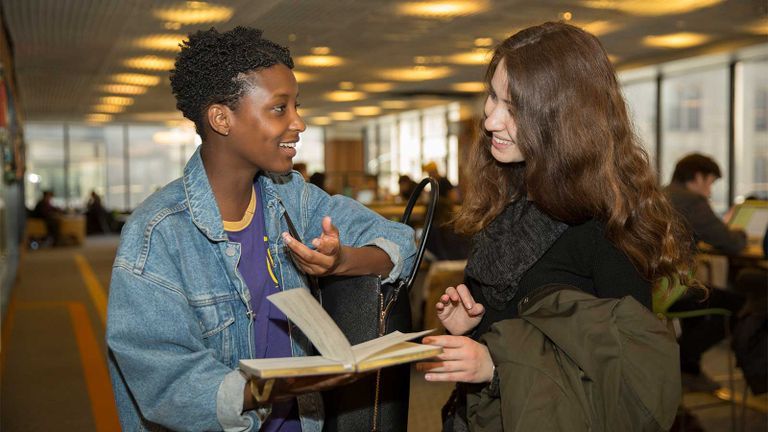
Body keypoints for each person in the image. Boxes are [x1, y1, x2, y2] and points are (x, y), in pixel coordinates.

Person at [106, 27, 416, 431]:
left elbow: (400, 241)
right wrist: (277, 386)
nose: (299, 122)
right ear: (221, 118)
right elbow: (167, 387)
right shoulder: (157, 235)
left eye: (296, 106)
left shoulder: (291, 197)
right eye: (279, 109)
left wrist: (341, 261)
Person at [417, 22, 694, 430]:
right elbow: (518, 330)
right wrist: (473, 327)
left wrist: (497, 369)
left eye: (513, 107)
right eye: (493, 97)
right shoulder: (510, 201)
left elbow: (631, 389)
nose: (491, 120)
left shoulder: (606, 228)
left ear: (562, 118)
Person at [664, 153, 747, 392]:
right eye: (710, 183)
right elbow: (730, 242)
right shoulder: (691, 201)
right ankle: (678, 363)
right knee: (742, 305)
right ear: (698, 177)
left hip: (653, 286)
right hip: (672, 290)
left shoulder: (660, 194)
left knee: (702, 296)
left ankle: (689, 370)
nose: (710, 191)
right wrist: (741, 233)